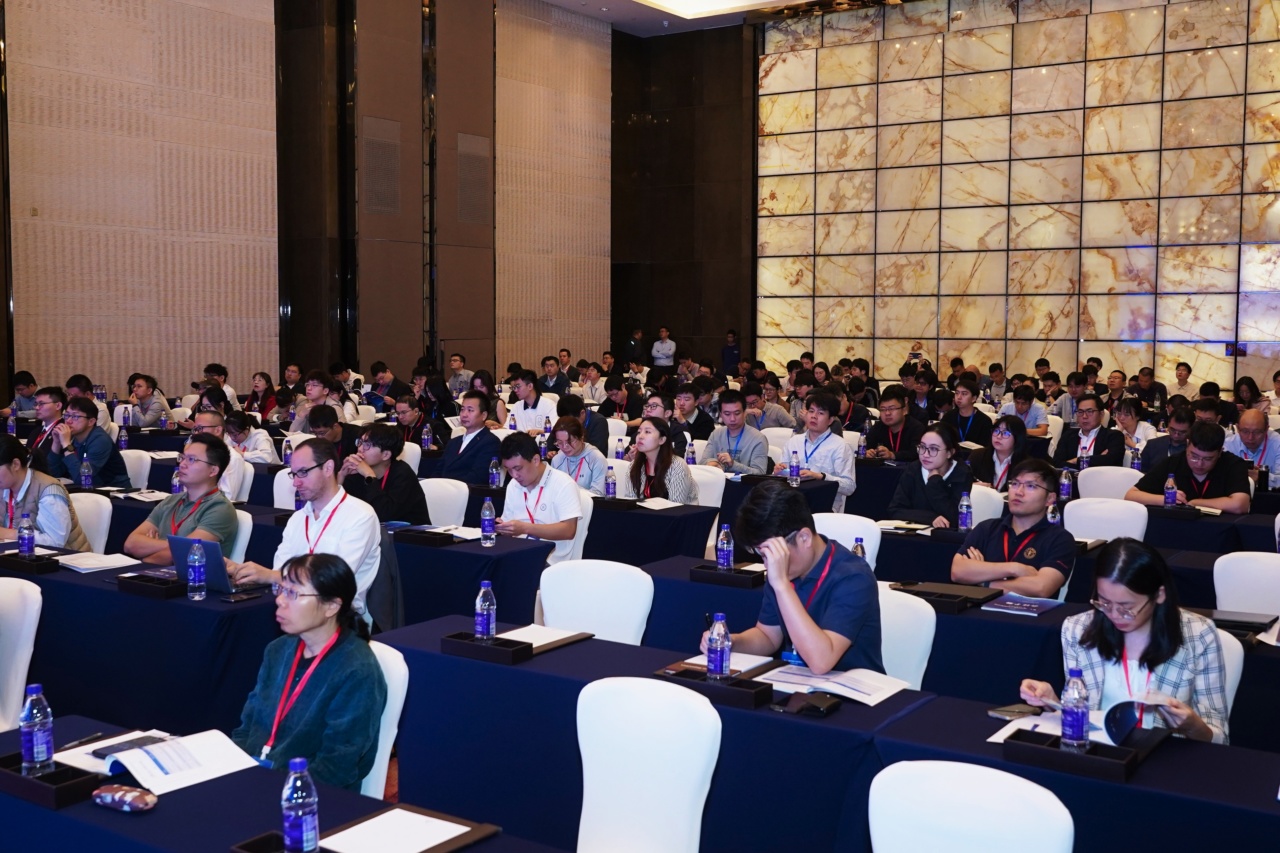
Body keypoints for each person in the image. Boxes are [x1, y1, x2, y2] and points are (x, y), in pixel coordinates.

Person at [1019, 539, 1229, 744]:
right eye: (1104, 603)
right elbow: (1084, 720)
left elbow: (1220, 736)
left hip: (1166, 756)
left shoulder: (1198, 634)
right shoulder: (1077, 629)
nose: (1115, 615)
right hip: (1100, 752)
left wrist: (1192, 725)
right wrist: (1052, 702)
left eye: (1127, 607)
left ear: (1159, 595)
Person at [232, 553, 387, 790]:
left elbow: (337, 765)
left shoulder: (357, 670)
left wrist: (274, 787)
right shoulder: (278, 650)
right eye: (281, 589)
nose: (280, 600)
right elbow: (247, 727)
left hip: (312, 795)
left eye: (293, 593)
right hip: (256, 779)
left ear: (332, 606)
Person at [699, 480, 882, 675]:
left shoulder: (853, 577)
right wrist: (732, 642)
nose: (768, 564)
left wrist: (782, 586)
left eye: (771, 553)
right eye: (762, 555)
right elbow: (768, 636)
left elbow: (821, 661)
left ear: (804, 538)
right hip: (798, 682)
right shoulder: (783, 571)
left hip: (853, 686)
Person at [229, 440, 382, 617]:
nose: (296, 483)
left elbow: (332, 581)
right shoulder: (298, 518)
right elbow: (281, 571)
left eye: (303, 472)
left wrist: (270, 575)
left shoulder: (360, 515)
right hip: (293, 608)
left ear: (328, 468)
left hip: (339, 617)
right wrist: (243, 572)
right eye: (293, 474)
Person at [951, 459, 1074, 598]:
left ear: (1050, 498)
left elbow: (1041, 587)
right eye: (1015, 484)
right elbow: (958, 571)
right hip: (980, 608)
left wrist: (983, 581)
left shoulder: (1060, 538)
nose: (1019, 492)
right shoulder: (987, 528)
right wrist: (1015, 568)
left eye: (1031, 486)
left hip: (1030, 611)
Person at [123, 435, 239, 564]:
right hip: (156, 574)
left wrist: (151, 549)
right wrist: (174, 545)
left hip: (191, 576)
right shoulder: (170, 501)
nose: (182, 464)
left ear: (213, 471)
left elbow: (187, 553)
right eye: (182, 458)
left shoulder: (220, 508)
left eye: (191, 459)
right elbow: (131, 544)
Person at [1126, 421, 1251, 514]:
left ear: (1220, 452)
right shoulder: (1173, 462)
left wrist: (1196, 503)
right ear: (1187, 444)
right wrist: (1167, 499)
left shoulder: (1234, 464)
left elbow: (1240, 505)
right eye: (1194, 456)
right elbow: (1131, 495)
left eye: (1208, 459)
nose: (1199, 464)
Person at [496, 432, 582, 564]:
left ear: (535, 460)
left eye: (518, 468)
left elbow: (569, 530)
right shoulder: (513, 485)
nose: (514, 475)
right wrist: (504, 528)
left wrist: (525, 528)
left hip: (551, 561)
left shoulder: (563, 484)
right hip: (518, 554)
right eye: (509, 469)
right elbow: (508, 525)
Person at [0, 435, 90, 551]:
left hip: (67, 558)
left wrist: (9, 534)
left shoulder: (49, 491)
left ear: (15, 465)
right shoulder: (5, 487)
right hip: (21, 556)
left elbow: (55, 543)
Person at [776, 391, 855, 512]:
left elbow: (849, 487)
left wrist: (821, 477)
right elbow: (783, 474)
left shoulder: (841, 446)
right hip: (791, 504)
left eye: (821, 413)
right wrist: (778, 472)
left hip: (824, 507)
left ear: (831, 420)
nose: (814, 416)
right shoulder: (794, 441)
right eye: (811, 411)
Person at [886, 423, 974, 528]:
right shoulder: (913, 470)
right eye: (922, 447)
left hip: (946, 536)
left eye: (933, 449)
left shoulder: (961, 473)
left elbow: (956, 518)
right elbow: (895, 510)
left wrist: (935, 482)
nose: (925, 455)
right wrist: (930, 518)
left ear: (949, 453)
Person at [338, 424, 430, 525]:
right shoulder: (356, 473)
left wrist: (369, 475)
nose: (360, 448)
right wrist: (341, 476)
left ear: (386, 455)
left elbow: (384, 515)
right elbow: (337, 509)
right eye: (360, 442)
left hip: (411, 532)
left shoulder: (403, 473)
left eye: (367, 445)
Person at [45, 397, 131, 488]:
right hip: (89, 490)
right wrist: (56, 443)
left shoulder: (100, 441)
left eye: (75, 416)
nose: (68, 421)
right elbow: (54, 474)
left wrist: (66, 445)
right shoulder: (72, 437)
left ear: (91, 421)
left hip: (114, 491)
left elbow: (83, 479)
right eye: (67, 415)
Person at [438, 391, 502, 485]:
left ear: (483, 415)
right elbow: (438, 470)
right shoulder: (453, 442)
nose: (464, 414)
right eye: (462, 409)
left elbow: (478, 477)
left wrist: (446, 485)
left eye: (470, 410)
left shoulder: (491, 443)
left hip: (467, 491)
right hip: (443, 489)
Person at [699, 390, 769, 475]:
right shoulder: (716, 434)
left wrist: (734, 465)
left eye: (737, 413)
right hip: (718, 481)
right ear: (721, 414)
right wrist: (714, 463)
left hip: (744, 483)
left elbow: (760, 473)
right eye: (727, 414)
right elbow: (703, 462)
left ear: (744, 412)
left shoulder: (758, 438)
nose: (732, 419)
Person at [630, 417, 698, 504]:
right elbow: (630, 503)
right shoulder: (634, 465)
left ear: (662, 440)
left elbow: (676, 506)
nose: (640, 436)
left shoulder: (677, 465)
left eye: (647, 432)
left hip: (678, 512)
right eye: (639, 432)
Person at [1052, 393, 1124, 468]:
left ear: (1101, 414)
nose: (1084, 416)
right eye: (1080, 412)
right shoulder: (1068, 435)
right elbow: (1056, 464)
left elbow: (1111, 461)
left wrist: (1076, 461)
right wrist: (1096, 460)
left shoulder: (1114, 436)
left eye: (1090, 411)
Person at [192, 410, 248, 501]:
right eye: (195, 429)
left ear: (217, 430)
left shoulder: (232, 458)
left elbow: (226, 497)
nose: (196, 433)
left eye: (200, 428)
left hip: (212, 507)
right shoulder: (196, 454)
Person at [863, 384, 925, 461]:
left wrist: (893, 455)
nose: (887, 413)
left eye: (891, 409)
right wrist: (868, 453)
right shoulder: (877, 427)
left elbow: (916, 453)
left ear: (904, 410)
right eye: (883, 409)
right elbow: (866, 447)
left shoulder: (917, 428)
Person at [549, 416, 608, 495]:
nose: (564, 447)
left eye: (570, 441)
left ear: (581, 437)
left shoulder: (597, 459)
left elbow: (598, 495)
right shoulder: (557, 460)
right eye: (559, 442)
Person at [968, 415, 1028, 492]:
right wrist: (973, 485)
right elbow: (962, 482)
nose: (999, 436)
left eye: (1005, 433)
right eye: (996, 431)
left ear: (1018, 437)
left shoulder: (1026, 464)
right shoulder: (977, 456)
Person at [1224, 408, 1280, 475]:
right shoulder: (1228, 445)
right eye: (1245, 431)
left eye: (1257, 432)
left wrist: (1262, 476)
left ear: (1266, 429)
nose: (1250, 438)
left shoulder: (1277, 442)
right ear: (1238, 428)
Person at [942, 379, 993, 447]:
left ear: (974, 398)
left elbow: (985, 447)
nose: (959, 397)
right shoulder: (948, 416)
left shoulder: (984, 421)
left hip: (975, 453)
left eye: (964, 394)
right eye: (957, 393)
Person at [26, 387, 67, 460]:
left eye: (41, 404)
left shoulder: (63, 431)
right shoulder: (36, 432)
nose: (37, 408)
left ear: (58, 406)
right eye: (36, 404)